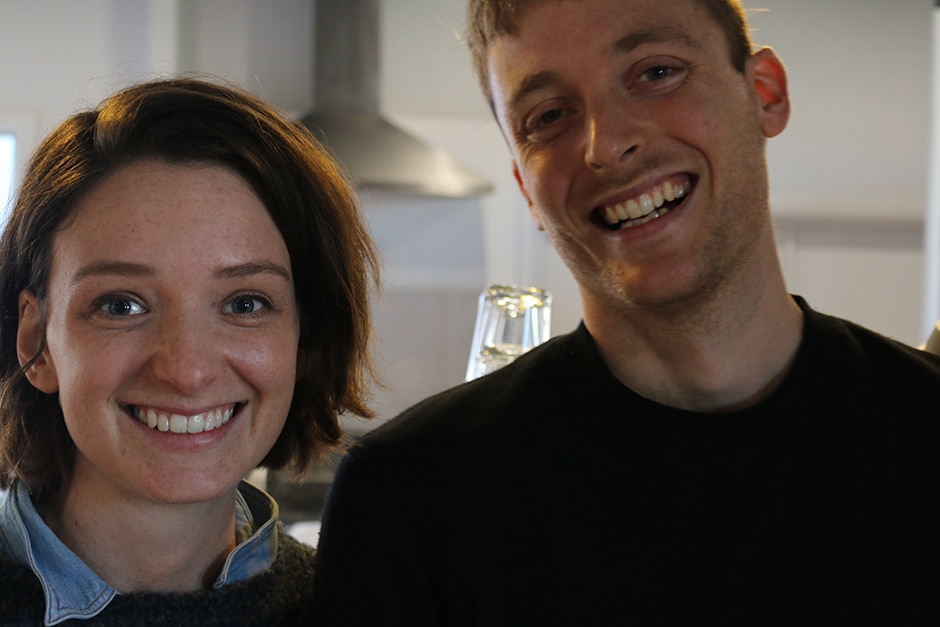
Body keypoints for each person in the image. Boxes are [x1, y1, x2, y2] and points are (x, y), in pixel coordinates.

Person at [310, 0, 940, 624]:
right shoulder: (411, 502)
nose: (605, 145)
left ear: (765, 94)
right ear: (526, 188)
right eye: (549, 116)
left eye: (656, 73)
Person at [0, 77, 379, 625]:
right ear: (37, 341)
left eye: (245, 304)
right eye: (121, 306)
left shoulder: (357, 608)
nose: (187, 370)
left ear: (304, 340)